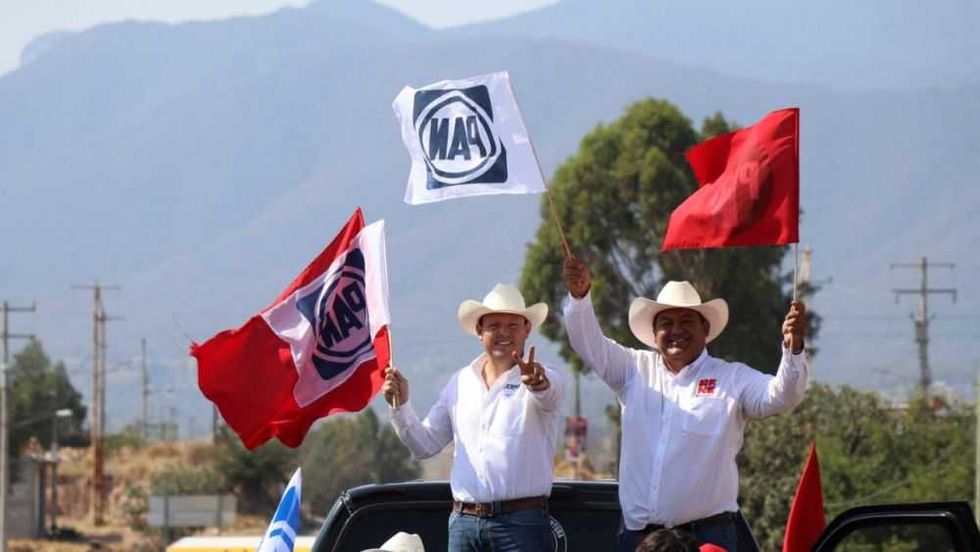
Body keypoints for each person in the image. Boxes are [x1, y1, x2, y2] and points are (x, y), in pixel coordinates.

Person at [562, 257, 808, 552]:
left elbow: (781, 396)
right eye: (666, 323)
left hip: (707, 539)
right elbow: (587, 343)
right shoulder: (633, 369)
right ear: (654, 335)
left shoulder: (731, 377)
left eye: (686, 321)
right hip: (640, 539)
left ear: (706, 330)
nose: (676, 330)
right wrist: (579, 297)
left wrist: (793, 349)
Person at [383, 284, 565, 552]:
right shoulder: (460, 382)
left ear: (527, 329)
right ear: (480, 332)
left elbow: (548, 394)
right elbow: (424, 445)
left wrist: (536, 381)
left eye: (513, 325)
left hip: (521, 524)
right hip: (464, 523)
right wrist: (401, 406)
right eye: (493, 325)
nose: (503, 332)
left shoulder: (546, 375)